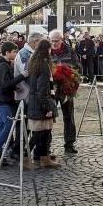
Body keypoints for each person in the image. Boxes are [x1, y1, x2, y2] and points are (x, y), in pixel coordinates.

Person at [26, 39, 61, 168]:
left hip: (35, 103)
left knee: (41, 133)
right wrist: (47, 108)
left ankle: (41, 157)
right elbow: (42, 90)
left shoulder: (34, 62)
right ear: (47, 50)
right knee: (40, 134)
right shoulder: (43, 66)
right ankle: (29, 157)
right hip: (41, 104)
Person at [0, 42, 26, 165]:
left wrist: (15, 87)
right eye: (14, 52)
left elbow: (4, 83)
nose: (16, 54)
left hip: (3, 99)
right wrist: (21, 76)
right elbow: (5, 85)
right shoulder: (2, 66)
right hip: (1, 100)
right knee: (8, 124)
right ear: (7, 53)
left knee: (2, 126)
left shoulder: (5, 65)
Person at [48, 29, 81, 154]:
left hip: (66, 88)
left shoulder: (70, 50)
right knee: (49, 117)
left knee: (69, 116)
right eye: (52, 41)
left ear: (62, 40)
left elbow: (78, 67)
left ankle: (69, 143)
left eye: (57, 41)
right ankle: (47, 145)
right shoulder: (46, 51)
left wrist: (69, 73)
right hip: (51, 88)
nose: (54, 43)